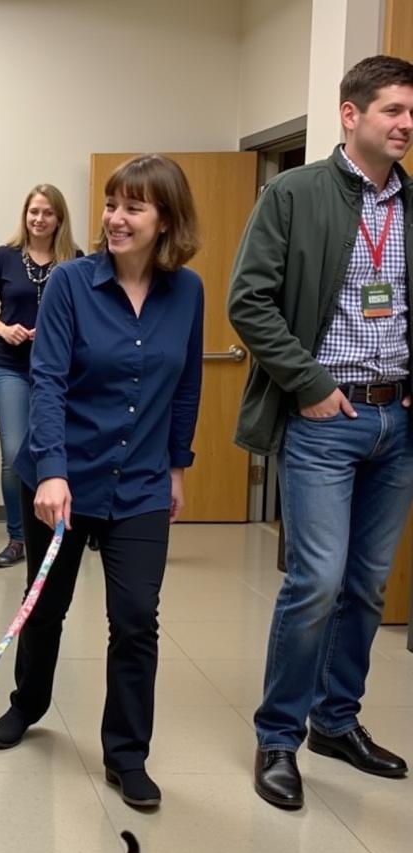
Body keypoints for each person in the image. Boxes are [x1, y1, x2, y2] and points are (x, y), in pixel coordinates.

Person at [0, 155, 203, 811]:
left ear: (166, 219)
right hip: (64, 479)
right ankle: (28, 702)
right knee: (44, 606)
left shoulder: (187, 291)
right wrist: (51, 470)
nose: (115, 217)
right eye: (111, 204)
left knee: (136, 618)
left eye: (133, 207)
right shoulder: (72, 285)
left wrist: (175, 466)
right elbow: (47, 379)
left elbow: (185, 383)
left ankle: (127, 754)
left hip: (138, 482)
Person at [229, 55, 413, 811]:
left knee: (367, 586)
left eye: (410, 113)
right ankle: (279, 736)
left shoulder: (409, 205)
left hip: (395, 418)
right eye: (392, 110)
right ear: (350, 113)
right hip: (325, 419)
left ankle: (336, 721)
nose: (405, 124)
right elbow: (250, 301)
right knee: (317, 582)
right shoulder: (294, 193)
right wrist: (310, 386)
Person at [0, 184, 77, 567]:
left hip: (62, 372)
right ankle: (18, 537)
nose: (39, 219)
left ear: (59, 218)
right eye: (34, 211)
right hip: (11, 367)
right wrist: (3, 329)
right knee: (15, 455)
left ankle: (58, 531)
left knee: (58, 451)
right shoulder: (4, 257)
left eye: (47, 212)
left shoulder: (75, 261)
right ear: (25, 215)